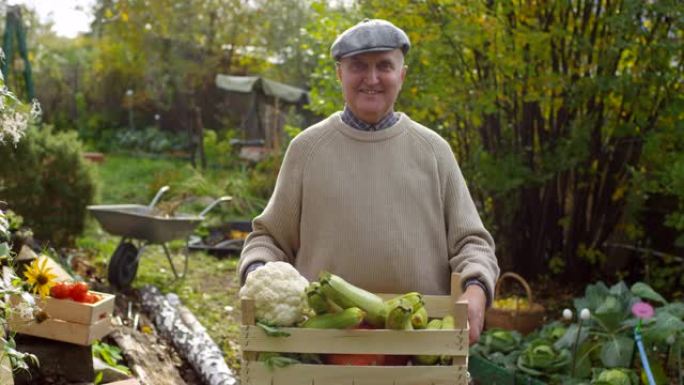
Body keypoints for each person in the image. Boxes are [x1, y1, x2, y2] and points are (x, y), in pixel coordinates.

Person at [238, 19, 499, 344]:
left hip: (420, 348)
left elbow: (472, 245)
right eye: (358, 66)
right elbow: (269, 240)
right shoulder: (306, 150)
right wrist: (259, 275)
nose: (371, 79)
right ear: (339, 74)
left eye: (384, 66)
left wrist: (475, 291)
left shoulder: (433, 151)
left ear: (401, 75)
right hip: (321, 347)